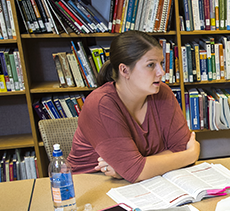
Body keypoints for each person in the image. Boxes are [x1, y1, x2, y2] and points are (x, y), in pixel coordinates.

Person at [68, 30, 200, 183]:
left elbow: (180, 147)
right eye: (151, 65)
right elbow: (137, 171)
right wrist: (191, 155)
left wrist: (130, 168)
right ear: (124, 70)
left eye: (161, 63)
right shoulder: (100, 104)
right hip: (89, 186)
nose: (161, 72)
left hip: (143, 182)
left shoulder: (162, 92)